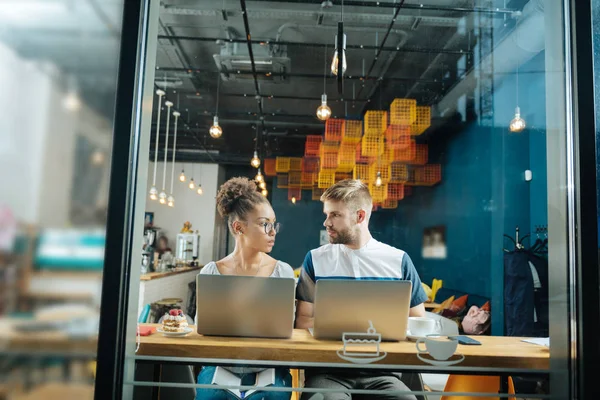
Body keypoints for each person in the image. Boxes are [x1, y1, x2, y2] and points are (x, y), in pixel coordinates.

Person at [295, 179, 428, 400]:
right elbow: (302, 321)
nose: (326, 222)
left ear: (360, 216)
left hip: (383, 373)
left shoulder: (398, 260)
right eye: (326, 214)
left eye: (335, 215)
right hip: (328, 371)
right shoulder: (315, 259)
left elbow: (417, 320)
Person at [195, 177, 294, 400]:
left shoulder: (283, 272)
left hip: (268, 368)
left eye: (273, 223)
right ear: (239, 227)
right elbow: (202, 334)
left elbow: (287, 332)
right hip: (221, 367)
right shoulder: (211, 272)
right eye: (263, 223)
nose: (272, 231)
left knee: (273, 395)